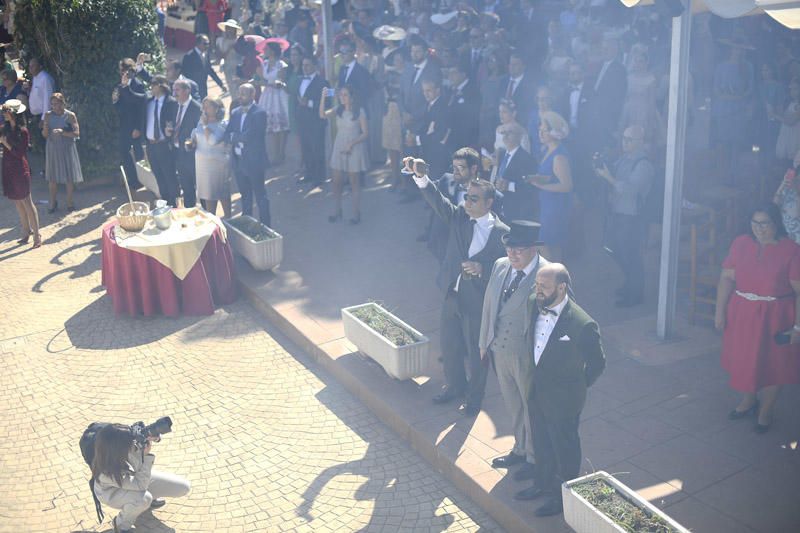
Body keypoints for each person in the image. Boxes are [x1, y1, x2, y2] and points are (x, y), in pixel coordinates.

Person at [406, 156, 510, 416]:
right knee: (450, 345)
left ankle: (474, 398)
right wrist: (421, 177)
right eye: (467, 196)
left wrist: (483, 269)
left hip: (478, 300)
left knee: (477, 353)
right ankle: (454, 386)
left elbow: (507, 270)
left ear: (489, 202)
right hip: (452, 292)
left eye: (474, 198)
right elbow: (438, 201)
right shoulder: (459, 217)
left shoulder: (502, 233)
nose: (467, 201)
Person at [515, 263, 605, 517]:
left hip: (564, 401)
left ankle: (561, 498)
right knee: (541, 443)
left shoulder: (583, 324)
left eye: (544, 286)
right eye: (537, 285)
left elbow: (598, 364)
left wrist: (576, 386)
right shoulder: (534, 303)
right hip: (537, 391)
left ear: (562, 287)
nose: (538, 290)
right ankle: (541, 485)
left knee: (564, 450)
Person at [715, 205, 800, 434]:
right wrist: (719, 311)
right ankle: (749, 400)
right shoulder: (741, 243)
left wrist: (798, 327)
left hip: (776, 315)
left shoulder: (791, 250)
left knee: (773, 364)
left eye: (765, 223)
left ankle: (766, 410)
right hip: (742, 313)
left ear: (776, 223)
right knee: (746, 359)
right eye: (755, 223)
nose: (760, 229)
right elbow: (726, 277)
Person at [480, 220, 546, 483]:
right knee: (513, 404)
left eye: (519, 250)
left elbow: (560, 320)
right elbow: (489, 305)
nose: (512, 254)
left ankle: (534, 457)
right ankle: (519, 449)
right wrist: (484, 343)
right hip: (500, 351)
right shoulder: (499, 266)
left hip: (527, 357)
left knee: (532, 409)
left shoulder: (547, 274)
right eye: (509, 249)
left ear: (533, 249)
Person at [595, 125, 655, 306]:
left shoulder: (643, 164)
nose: (625, 142)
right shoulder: (623, 159)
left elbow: (629, 190)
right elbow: (610, 176)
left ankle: (635, 294)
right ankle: (631, 282)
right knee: (612, 248)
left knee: (630, 255)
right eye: (623, 138)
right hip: (617, 213)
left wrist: (608, 177)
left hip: (631, 216)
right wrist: (600, 166)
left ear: (640, 142)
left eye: (629, 139)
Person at [91, 424, 190, 533]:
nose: (132, 444)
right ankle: (121, 525)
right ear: (117, 448)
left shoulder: (122, 441)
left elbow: (138, 470)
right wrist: (145, 455)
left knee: (183, 487)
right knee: (143, 499)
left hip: (134, 480)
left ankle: (143, 505)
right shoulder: (106, 472)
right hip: (112, 493)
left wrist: (151, 436)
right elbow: (140, 484)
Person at [525, 111, 573, 262]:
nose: (540, 133)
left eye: (544, 130)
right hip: (547, 205)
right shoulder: (548, 150)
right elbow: (551, 176)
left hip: (555, 207)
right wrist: (539, 179)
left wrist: (540, 185)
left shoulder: (559, 156)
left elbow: (567, 186)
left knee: (546, 244)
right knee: (549, 244)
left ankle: (554, 277)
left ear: (554, 132)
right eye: (539, 129)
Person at [320, 85, 368, 224]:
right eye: (341, 94)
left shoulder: (359, 111)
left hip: (354, 147)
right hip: (339, 146)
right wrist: (323, 97)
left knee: (354, 182)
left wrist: (352, 143)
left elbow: (365, 133)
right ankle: (337, 210)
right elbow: (322, 115)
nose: (342, 97)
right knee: (336, 181)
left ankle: (355, 213)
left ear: (352, 97)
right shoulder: (338, 109)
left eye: (345, 95)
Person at [225, 83, 271, 226]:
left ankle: (266, 226)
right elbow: (227, 135)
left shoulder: (260, 113)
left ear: (252, 95)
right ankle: (247, 225)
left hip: (254, 162)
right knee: (245, 196)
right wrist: (237, 136)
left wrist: (235, 136)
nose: (240, 96)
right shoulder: (235, 112)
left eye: (244, 93)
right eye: (239, 93)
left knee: (260, 196)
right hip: (238, 161)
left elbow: (251, 136)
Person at [1, 99, 41, 248]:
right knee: (17, 201)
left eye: (6, 111)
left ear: (13, 114)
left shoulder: (23, 131)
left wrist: (5, 144)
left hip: (19, 168)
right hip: (8, 168)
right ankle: (26, 231)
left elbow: (20, 153)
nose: (4, 114)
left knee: (27, 201)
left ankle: (37, 235)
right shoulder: (4, 129)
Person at [42, 93, 83, 213]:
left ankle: (70, 202)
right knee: (52, 178)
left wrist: (62, 132)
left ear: (63, 103)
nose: (56, 107)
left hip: (67, 147)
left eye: (58, 104)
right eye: (53, 104)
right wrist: (45, 125)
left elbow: (76, 133)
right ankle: (53, 202)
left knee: (69, 177)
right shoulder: (48, 115)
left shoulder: (70, 116)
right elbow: (45, 135)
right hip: (53, 148)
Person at [193, 97, 232, 218]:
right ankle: (212, 221)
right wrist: (192, 142)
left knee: (222, 193)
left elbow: (212, 140)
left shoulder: (223, 124)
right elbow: (195, 135)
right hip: (202, 165)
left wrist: (205, 126)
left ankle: (228, 219)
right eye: (203, 106)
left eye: (207, 106)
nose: (203, 109)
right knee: (208, 194)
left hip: (218, 164)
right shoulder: (201, 122)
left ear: (216, 109)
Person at [144, 75, 178, 206]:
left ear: (161, 85)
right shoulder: (148, 102)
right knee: (158, 176)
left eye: (153, 84)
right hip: (151, 146)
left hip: (164, 145)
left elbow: (175, 122)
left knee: (170, 177)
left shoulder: (171, 102)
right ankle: (166, 204)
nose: (150, 87)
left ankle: (175, 204)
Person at [493, 122, 538, 222]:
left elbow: (531, 188)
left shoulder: (527, 159)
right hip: (498, 208)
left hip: (516, 210)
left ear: (519, 136)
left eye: (510, 132)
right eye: (504, 132)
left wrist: (509, 186)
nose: (506, 135)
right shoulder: (501, 154)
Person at [113, 59, 146, 189]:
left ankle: (142, 180)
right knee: (124, 152)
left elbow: (141, 108)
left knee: (138, 154)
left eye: (123, 70)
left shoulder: (138, 85)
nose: (121, 73)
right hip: (124, 125)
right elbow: (116, 102)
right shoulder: (120, 85)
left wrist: (138, 127)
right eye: (120, 71)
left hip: (135, 126)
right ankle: (133, 180)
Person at [295, 55, 328, 186]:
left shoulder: (324, 82)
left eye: (308, 65)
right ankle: (309, 173)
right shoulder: (300, 80)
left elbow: (329, 103)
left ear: (315, 66)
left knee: (317, 149)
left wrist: (308, 103)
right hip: (302, 121)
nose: (305, 68)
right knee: (306, 148)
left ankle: (319, 177)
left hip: (316, 121)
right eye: (303, 65)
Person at [257, 41, 290, 166]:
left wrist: (264, 83)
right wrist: (258, 80)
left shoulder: (281, 65)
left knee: (281, 125)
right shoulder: (264, 63)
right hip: (268, 95)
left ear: (272, 51)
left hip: (279, 95)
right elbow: (262, 78)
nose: (264, 50)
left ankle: (282, 153)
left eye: (266, 48)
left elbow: (280, 81)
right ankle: (276, 153)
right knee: (272, 126)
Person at [171, 79, 202, 208]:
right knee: (186, 188)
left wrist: (193, 142)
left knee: (199, 187)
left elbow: (200, 131)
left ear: (187, 90)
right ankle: (190, 213)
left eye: (177, 90)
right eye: (173, 90)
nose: (174, 93)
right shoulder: (175, 106)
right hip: (179, 153)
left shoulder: (196, 108)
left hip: (192, 155)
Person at [446, 61, 480, 151]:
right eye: (449, 73)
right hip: (452, 138)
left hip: (466, 140)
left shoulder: (473, 91)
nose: (450, 77)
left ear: (463, 74)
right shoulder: (450, 90)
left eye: (454, 73)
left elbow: (472, 117)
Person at [182, 34, 227, 100]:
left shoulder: (206, 54)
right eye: (205, 44)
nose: (207, 46)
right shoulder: (189, 56)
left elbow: (210, 71)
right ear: (198, 44)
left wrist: (221, 84)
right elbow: (185, 74)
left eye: (208, 44)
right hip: (192, 90)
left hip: (203, 89)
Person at [773, 149, 800, 244]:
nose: (797, 159)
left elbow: (797, 212)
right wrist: (782, 186)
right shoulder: (791, 177)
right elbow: (774, 206)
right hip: (782, 230)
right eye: (797, 155)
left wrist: (796, 189)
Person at [774, 77, 800, 165]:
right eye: (791, 89)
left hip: (796, 136)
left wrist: (774, 115)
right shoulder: (791, 103)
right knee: (787, 164)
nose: (792, 92)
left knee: (794, 164)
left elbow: (790, 121)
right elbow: (785, 116)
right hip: (787, 136)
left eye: (795, 89)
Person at [216, 19, 244, 97]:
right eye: (227, 28)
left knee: (240, 88)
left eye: (231, 28)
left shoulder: (240, 40)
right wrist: (229, 48)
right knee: (232, 88)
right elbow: (219, 56)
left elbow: (243, 54)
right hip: (228, 68)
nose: (229, 30)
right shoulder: (221, 41)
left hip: (239, 68)